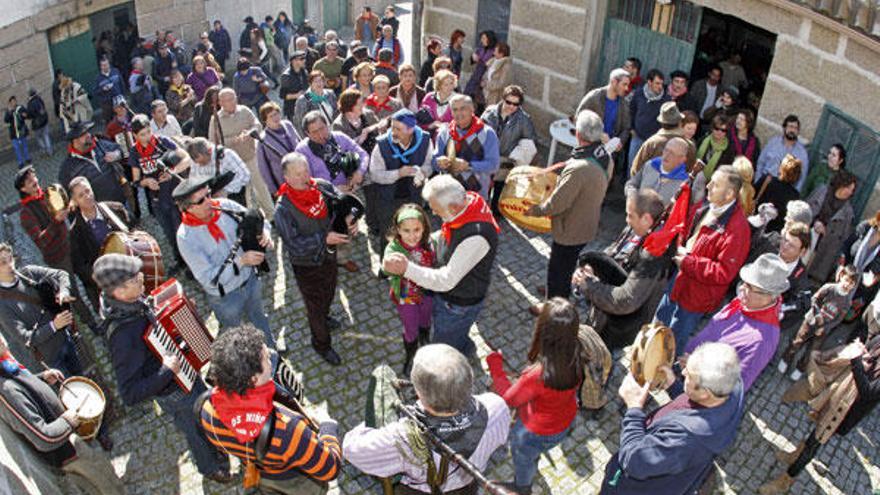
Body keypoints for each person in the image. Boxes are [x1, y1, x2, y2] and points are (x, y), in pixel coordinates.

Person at [94, 253, 232, 483]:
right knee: (195, 429)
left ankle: (218, 446)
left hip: (185, 372)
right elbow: (129, 393)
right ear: (118, 291)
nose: (142, 280)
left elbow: (156, 331)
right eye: (135, 280)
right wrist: (166, 370)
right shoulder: (121, 337)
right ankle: (209, 468)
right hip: (174, 392)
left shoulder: (131, 301)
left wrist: (182, 317)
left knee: (207, 414)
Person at [343, 344, 510, 494]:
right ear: (468, 381)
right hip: (467, 486)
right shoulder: (496, 406)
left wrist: (376, 421)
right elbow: (501, 440)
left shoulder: (401, 437)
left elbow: (352, 449)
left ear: (419, 393)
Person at [199, 324, 341, 494]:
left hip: (261, 472)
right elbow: (330, 468)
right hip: (294, 482)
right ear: (253, 379)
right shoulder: (288, 429)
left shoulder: (206, 409)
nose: (272, 357)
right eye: (266, 358)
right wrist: (327, 426)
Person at [600, 342, 745, 494]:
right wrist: (673, 386)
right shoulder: (732, 385)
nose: (683, 374)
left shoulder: (686, 438)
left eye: (689, 376)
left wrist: (634, 409)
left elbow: (634, 461)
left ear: (704, 393)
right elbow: (697, 406)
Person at [383, 176, 500, 356]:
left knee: (444, 345)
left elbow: (446, 280)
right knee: (457, 333)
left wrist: (407, 268)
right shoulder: (467, 203)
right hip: (454, 299)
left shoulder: (476, 236)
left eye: (436, 210)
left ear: (453, 208)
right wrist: (424, 241)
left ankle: (452, 360)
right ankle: (464, 345)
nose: (435, 214)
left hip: (458, 303)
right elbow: (448, 234)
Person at [0, 334, 123, 494]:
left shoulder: (6, 364)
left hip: (69, 437)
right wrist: (69, 419)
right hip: (68, 453)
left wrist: (42, 378)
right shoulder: (6, 390)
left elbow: (26, 391)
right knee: (105, 483)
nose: (1, 340)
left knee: (106, 472)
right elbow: (43, 438)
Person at [487, 298, 586, 495]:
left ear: (544, 330)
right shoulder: (578, 352)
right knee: (534, 452)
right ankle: (534, 458)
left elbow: (509, 399)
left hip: (532, 431)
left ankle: (522, 487)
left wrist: (495, 365)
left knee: (523, 458)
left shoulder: (537, 375)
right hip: (563, 422)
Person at [759, 334, 880, 494]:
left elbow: (868, 391)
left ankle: (785, 481)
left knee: (815, 442)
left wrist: (857, 360)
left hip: (845, 412)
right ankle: (796, 455)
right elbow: (868, 343)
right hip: (838, 394)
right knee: (814, 432)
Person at [654, 165, 751, 352]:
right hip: (680, 278)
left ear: (729, 194)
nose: (708, 186)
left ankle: (661, 373)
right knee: (658, 322)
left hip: (696, 296)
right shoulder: (707, 206)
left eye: (715, 185)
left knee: (673, 340)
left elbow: (724, 272)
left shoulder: (738, 230)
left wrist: (689, 262)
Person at [173, 176, 276, 351]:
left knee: (259, 317)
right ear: (188, 208)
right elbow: (208, 278)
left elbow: (259, 219)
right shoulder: (186, 237)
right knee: (235, 334)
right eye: (201, 200)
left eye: (208, 194)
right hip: (226, 297)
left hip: (250, 280)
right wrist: (242, 261)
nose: (209, 202)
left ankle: (271, 350)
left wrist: (264, 233)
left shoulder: (225, 206)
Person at [274, 153, 357, 365]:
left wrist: (350, 219)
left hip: (329, 255)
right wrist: (324, 238)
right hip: (306, 265)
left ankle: (325, 316)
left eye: (306, 171)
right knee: (315, 307)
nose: (305, 177)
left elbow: (343, 204)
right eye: (298, 174)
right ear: (286, 177)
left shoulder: (321, 186)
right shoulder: (283, 209)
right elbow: (294, 244)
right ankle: (321, 344)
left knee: (329, 290)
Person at [527, 110, 609, 305]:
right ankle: (554, 289)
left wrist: (535, 210)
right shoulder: (605, 156)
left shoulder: (579, 167)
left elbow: (557, 204)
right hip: (586, 223)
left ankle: (554, 303)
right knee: (567, 263)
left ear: (578, 135)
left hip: (569, 228)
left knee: (558, 267)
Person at [572, 189, 671, 349]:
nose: (627, 220)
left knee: (599, 355)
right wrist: (593, 267)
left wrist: (589, 285)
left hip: (618, 324)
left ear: (646, 218)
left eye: (630, 216)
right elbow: (615, 250)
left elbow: (625, 300)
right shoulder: (638, 228)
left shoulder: (654, 254)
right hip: (604, 306)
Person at [679, 253, 787, 392]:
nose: (742, 289)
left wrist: (695, 371)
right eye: (744, 283)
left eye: (749, 287)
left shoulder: (762, 340)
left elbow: (734, 389)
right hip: (688, 370)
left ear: (768, 296)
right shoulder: (747, 300)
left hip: (699, 390)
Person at [15, 168, 98, 331]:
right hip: (58, 258)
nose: (35, 181)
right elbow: (41, 241)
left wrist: (70, 206)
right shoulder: (25, 214)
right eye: (30, 181)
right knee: (74, 294)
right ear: (23, 189)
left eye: (34, 176)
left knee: (89, 279)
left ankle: (99, 310)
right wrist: (56, 221)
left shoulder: (48, 193)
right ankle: (92, 324)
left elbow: (64, 205)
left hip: (71, 245)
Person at [0, 243, 83, 378]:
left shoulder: (29, 272)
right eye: (3, 263)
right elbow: (26, 338)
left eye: (10, 259)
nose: (10, 265)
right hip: (51, 359)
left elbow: (61, 274)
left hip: (66, 339)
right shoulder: (2, 304)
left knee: (85, 380)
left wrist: (63, 292)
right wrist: (54, 326)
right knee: (74, 394)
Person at [382, 204, 435, 374]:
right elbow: (386, 266)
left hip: (427, 291)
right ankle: (410, 355)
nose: (412, 236)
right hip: (406, 295)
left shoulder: (430, 242)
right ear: (398, 229)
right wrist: (388, 266)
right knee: (410, 328)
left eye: (417, 230)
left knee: (426, 318)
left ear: (424, 227)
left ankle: (425, 336)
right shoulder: (394, 248)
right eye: (406, 231)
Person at [780, 265, 858, 380]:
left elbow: (838, 319)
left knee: (811, 350)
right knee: (797, 342)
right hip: (810, 321)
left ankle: (800, 368)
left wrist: (824, 328)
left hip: (823, 330)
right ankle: (786, 359)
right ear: (841, 276)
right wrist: (817, 316)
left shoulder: (847, 302)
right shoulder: (829, 288)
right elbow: (814, 300)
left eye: (851, 284)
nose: (847, 285)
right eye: (847, 280)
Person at [370, 109, 435, 247]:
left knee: (414, 237)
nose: (393, 132)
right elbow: (375, 174)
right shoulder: (381, 144)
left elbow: (429, 165)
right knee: (389, 237)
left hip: (413, 198)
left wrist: (422, 174)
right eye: (392, 126)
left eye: (398, 129)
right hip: (387, 200)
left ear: (411, 129)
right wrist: (399, 173)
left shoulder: (425, 140)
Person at [209, 88, 275, 220]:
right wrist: (233, 140)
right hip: (232, 164)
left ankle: (271, 216)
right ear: (220, 103)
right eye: (227, 100)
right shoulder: (215, 119)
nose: (231, 102)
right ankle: (250, 220)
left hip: (250, 156)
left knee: (261, 187)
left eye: (233, 98)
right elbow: (213, 142)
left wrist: (250, 132)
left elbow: (258, 125)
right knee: (244, 193)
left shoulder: (244, 110)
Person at [68, 177, 131, 309]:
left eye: (88, 190)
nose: (87, 196)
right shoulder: (74, 233)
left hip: (131, 272)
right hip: (108, 289)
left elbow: (134, 232)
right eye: (81, 195)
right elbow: (80, 267)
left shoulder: (116, 209)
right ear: (74, 201)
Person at [129, 114, 184, 266]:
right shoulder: (134, 152)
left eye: (148, 132)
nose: (146, 137)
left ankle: (189, 262)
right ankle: (179, 260)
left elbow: (185, 158)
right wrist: (146, 182)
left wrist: (172, 171)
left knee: (180, 230)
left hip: (174, 194)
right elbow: (136, 180)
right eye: (142, 135)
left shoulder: (162, 142)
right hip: (157, 199)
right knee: (169, 233)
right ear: (135, 135)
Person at [481, 85, 538, 216]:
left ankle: (496, 213)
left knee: (499, 189)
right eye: (508, 102)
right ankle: (481, 211)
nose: (511, 106)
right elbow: (479, 129)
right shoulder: (490, 112)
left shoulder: (524, 120)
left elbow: (531, 141)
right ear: (503, 99)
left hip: (505, 161)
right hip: (487, 157)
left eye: (515, 104)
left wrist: (516, 154)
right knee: (484, 187)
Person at [433, 94, 500, 200]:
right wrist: (439, 163)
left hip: (476, 195)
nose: (459, 113)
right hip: (449, 194)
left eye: (463, 108)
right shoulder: (444, 132)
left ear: (472, 109)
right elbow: (434, 162)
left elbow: (494, 165)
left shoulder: (487, 133)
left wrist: (469, 166)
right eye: (455, 109)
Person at [805, 170, 857, 284]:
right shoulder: (821, 191)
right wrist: (814, 222)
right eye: (848, 187)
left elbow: (842, 239)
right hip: (805, 240)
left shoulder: (848, 213)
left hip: (821, 252)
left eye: (852, 190)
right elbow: (805, 209)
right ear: (841, 183)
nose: (849, 192)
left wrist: (826, 231)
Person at [59, 122, 128, 205]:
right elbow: (69, 195)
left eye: (87, 132)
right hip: (100, 209)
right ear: (75, 140)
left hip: (121, 200)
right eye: (83, 134)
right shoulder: (68, 168)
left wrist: (117, 154)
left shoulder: (101, 145)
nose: (88, 135)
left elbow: (122, 149)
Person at [629, 101, 696, 176]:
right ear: (680, 122)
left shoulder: (651, 143)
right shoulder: (689, 146)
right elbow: (688, 171)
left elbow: (635, 170)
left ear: (662, 123)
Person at [575, 68, 631, 154]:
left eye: (627, 85)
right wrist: (599, 134)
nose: (626, 88)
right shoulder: (594, 97)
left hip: (609, 152)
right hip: (589, 147)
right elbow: (578, 118)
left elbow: (626, 128)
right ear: (614, 82)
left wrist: (620, 141)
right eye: (624, 84)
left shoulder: (624, 104)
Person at [184, 137, 251, 205]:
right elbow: (193, 182)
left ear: (209, 151)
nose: (200, 166)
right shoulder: (195, 161)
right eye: (197, 163)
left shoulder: (226, 155)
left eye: (203, 162)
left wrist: (225, 191)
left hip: (234, 198)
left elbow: (245, 175)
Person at [626, 137, 690, 205]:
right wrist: (633, 196)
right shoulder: (650, 165)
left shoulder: (684, 183)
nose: (667, 155)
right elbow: (631, 184)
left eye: (672, 153)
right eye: (666, 150)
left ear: (682, 159)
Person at [628, 69, 670, 169]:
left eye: (661, 84)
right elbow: (631, 111)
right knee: (632, 165)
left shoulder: (666, 99)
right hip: (637, 137)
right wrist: (631, 129)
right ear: (649, 82)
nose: (660, 87)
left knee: (648, 168)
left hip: (654, 141)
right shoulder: (639, 93)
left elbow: (667, 121)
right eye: (657, 83)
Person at [756, 115, 810, 192]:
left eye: (795, 128)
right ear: (784, 128)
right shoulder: (773, 142)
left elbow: (802, 177)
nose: (792, 130)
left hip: (784, 190)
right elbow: (761, 163)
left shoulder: (802, 153)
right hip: (765, 184)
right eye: (790, 127)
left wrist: (793, 195)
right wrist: (757, 182)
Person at [256, 102, 300, 196]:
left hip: (301, 172)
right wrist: (274, 190)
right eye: (270, 116)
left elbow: (300, 143)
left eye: (276, 114)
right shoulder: (263, 140)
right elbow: (263, 167)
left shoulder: (288, 125)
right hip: (284, 180)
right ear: (265, 120)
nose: (275, 118)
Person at [754, 155, 802, 233]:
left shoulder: (767, 180)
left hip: (755, 226)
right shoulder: (795, 196)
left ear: (781, 168)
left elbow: (752, 196)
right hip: (773, 236)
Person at [293, 71, 339, 137]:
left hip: (332, 131)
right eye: (315, 81)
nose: (319, 84)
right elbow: (299, 123)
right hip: (316, 135)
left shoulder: (330, 94)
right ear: (310, 83)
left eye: (320, 80)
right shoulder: (304, 99)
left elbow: (336, 112)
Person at [464, 30, 497, 111]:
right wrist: (473, 57)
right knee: (468, 95)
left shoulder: (494, 51)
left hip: (484, 77)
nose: (482, 40)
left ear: (489, 39)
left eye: (484, 38)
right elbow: (472, 60)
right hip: (476, 75)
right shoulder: (480, 49)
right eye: (481, 38)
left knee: (481, 101)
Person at [696, 114, 736, 180]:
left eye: (723, 130)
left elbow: (726, 169)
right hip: (694, 174)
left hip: (713, 181)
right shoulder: (703, 139)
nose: (719, 132)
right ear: (712, 128)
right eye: (717, 129)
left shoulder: (729, 149)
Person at [280, 51, 309, 120]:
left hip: (304, 105)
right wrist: (296, 95)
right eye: (301, 59)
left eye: (304, 58)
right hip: (292, 108)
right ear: (294, 61)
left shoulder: (304, 71)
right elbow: (283, 95)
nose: (304, 60)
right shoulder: (286, 76)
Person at [93, 58, 124, 125]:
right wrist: (103, 89)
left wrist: (122, 95)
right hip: (107, 104)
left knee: (122, 119)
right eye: (103, 65)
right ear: (101, 67)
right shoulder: (98, 78)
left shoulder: (115, 71)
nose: (105, 67)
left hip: (118, 100)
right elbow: (95, 92)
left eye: (106, 65)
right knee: (109, 122)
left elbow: (122, 84)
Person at [482, 42, 512, 107]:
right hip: (487, 93)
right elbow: (487, 74)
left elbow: (502, 83)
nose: (493, 53)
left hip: (496, 95)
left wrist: (488, 86)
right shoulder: (492, 61)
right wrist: (483, 82)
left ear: (501, 54)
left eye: (495, 51)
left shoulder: (506, 66)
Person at [5, 96, 30, 167]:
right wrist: (10, 112)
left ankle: (27, 158)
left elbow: (26, 115)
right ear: (10, 103)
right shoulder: (8, 111)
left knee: (24, 145)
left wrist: (24, 115)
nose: (14, 103)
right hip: (13, 133)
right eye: (12, 102)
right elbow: (6, 120)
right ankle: (20, 162)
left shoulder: (20, 108)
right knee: (17, 148)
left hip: (21, 131)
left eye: (14, 101)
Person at [26, 89, 52, 157]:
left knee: (39, 137)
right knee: (46, 136)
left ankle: (44, 150)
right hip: (44, 121)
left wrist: (26, 116)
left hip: (37, 123)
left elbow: (30, 114)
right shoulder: (39, 99)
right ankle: (50, 151)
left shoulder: (30, 103)